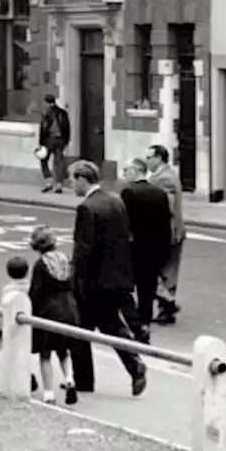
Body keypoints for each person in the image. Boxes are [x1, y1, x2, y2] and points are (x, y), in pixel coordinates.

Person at [66, 159, 148, 397]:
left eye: (73, 180)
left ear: (82, 179)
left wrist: (75, 282)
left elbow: (83, 251)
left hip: (92, 283)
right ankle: (134, 364)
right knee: (111, 326)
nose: (73, 186)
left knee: (80, 331)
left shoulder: (86, 208)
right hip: (115, 278)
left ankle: (85, 381)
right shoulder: (115, 201)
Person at [117, 157, 172, 344]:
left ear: (136, 171)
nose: (124, 175)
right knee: (147, 289)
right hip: (155, 248)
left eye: (127, 170)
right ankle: (145, 323)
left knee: (124, 287)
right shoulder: (159, 193)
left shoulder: (128, 192)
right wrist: (164, 250)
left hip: (134, 249)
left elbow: (125, 223)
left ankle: (135, 323)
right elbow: (166, 224)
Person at [26, 226, 81, 405]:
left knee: (45, 353)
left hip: (49, 310)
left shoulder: (41, 264)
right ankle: (70, 380)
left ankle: (49, 393)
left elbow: (36, 291)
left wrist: (29, 311)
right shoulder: (65, 260)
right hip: (69, 308)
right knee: (64, 351)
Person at [147, 144, 186, 325]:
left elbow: (165, 208)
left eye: (150, 157)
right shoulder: (168, 174)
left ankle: (168, 303)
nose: (147, 161)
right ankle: (166, 309)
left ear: (159, 158)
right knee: (167, 271)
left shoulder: (164, 179)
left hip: (166, 232)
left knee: (151, 269)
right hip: (173, 231)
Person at [37, 94, 71, 193]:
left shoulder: (46, 113)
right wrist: (66, 141)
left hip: (49, 140)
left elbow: (43, 129)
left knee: (43, 160)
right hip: (60, 140)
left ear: (46, 103)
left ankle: (49, 182)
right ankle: (59, 185)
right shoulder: (63, 113)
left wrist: (41, 143)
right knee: (59, 162)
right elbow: (67, 128)